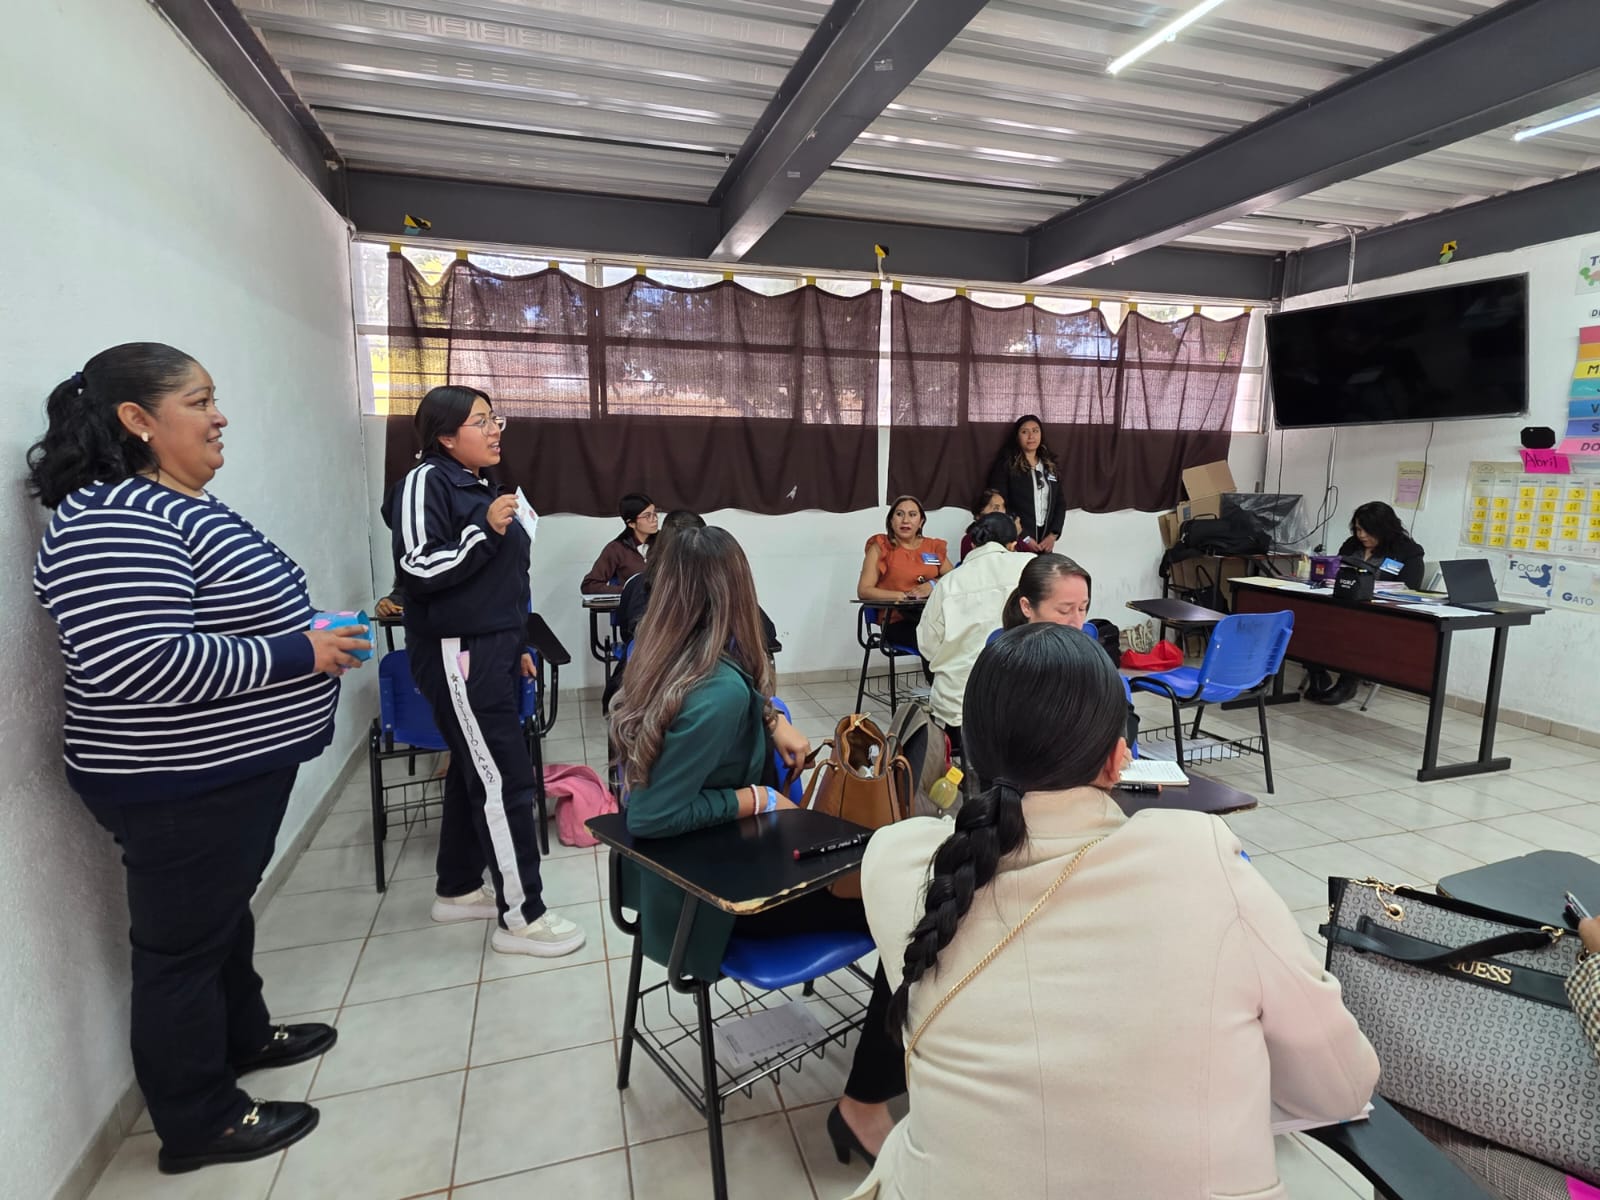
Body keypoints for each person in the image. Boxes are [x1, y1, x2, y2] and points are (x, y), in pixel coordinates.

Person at [847, 624, 1379, 1199]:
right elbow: (1341, 1086)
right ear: (1118, 758)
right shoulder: (1197, 858)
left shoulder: (899, 863)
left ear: (968, 750)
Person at [28, 343, 373, 1174]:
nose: (220, 418)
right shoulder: (114, 519)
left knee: (221, 918)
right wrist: (300, 652)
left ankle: (244, 1037)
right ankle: (200, 1120)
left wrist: (306, 629)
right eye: (200, 401)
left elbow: (211, 618)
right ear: (137, 419)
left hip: (218, 775)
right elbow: (138, 661)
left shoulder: (167, 505)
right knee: (180, 952)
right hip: (176, 782)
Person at [612, 527, 905, 1162]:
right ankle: (866, 1104)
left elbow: (734, 693)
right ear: (738, 591)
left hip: (672, 893)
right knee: (915, 911)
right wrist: (757, 799)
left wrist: (770, 720)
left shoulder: (661, 658)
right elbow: (653, 816)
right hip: (712, 915)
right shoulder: (715, 692)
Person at [382, 385, 585, 958]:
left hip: (491, 647)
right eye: (481, 421)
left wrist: (516, 641)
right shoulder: (426, 481)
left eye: (496, 419)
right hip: (456, 651)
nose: (495, 429)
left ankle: (457, 888)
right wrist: (484, 532)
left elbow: (501, 582)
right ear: (446, 436)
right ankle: (522, 919)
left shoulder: (480, 485)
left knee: (476, 770)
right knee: (504, 779)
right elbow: (417, 568)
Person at [998, 553, 1139, 748]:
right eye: (1064, 610)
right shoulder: (1006, 664)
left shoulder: (1088, 655)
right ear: (1027, 607)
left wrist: (1119, 745)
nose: (1076, 622)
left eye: (1082, 608)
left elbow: (1125, 714)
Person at [917, 512, 1029, 746]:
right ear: (1012, 545)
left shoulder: (948, 582)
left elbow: (927, 645)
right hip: (1020, 703)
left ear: (973, 544)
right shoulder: (1030, 567)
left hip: (958, 706)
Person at [1306, 500, 1426, 706]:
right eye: (1358, 529)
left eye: (1367, 530)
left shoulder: (1407, 551)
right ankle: (1317, 674)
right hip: (1344, 605)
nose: (1361, 535)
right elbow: (1336, 571)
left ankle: (1347, 683)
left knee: (1354, 628)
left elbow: (1410, 588)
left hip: (1378, 614)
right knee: (1308, 617)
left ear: (1384, 529)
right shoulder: (1352, 545)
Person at [856, 495, 951, 653]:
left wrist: (932, 584)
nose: (905, 520)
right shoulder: (881, 547)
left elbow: (953, 578)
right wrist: (902, 596)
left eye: (912, 515)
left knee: (960, 638)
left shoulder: (932, 547)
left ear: (921, 522)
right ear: (891, 520)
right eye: (899, 514)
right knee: (934, 643)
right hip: (896, 621)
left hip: (933, 618)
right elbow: (864, 590)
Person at [986, 413, 1065, 551]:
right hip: (1016, 539)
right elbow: (999, 503)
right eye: (1024, 432)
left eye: (1035, 431)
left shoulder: (1050, 466)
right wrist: (1024, 536)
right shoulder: (1007, 466)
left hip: (1045, 542)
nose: (1031, 436)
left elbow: (1060, 502)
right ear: (1017, 437)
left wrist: (1053, 535)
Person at [580, 491, 658, 595]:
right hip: (635, 603)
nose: (654, 519)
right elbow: (589, 585)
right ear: (631, 523)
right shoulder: (616, 549)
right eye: (647, 516)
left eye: (654, 513)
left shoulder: (667, 541)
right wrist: (626, 591)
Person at [958, 488, 1039, 559]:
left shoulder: (1011, 535)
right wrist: (1013, 536)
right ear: (979, 515)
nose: (1002, 512)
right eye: (996, 508)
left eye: (1003, 507)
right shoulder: (969, 540)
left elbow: (1029, 560)